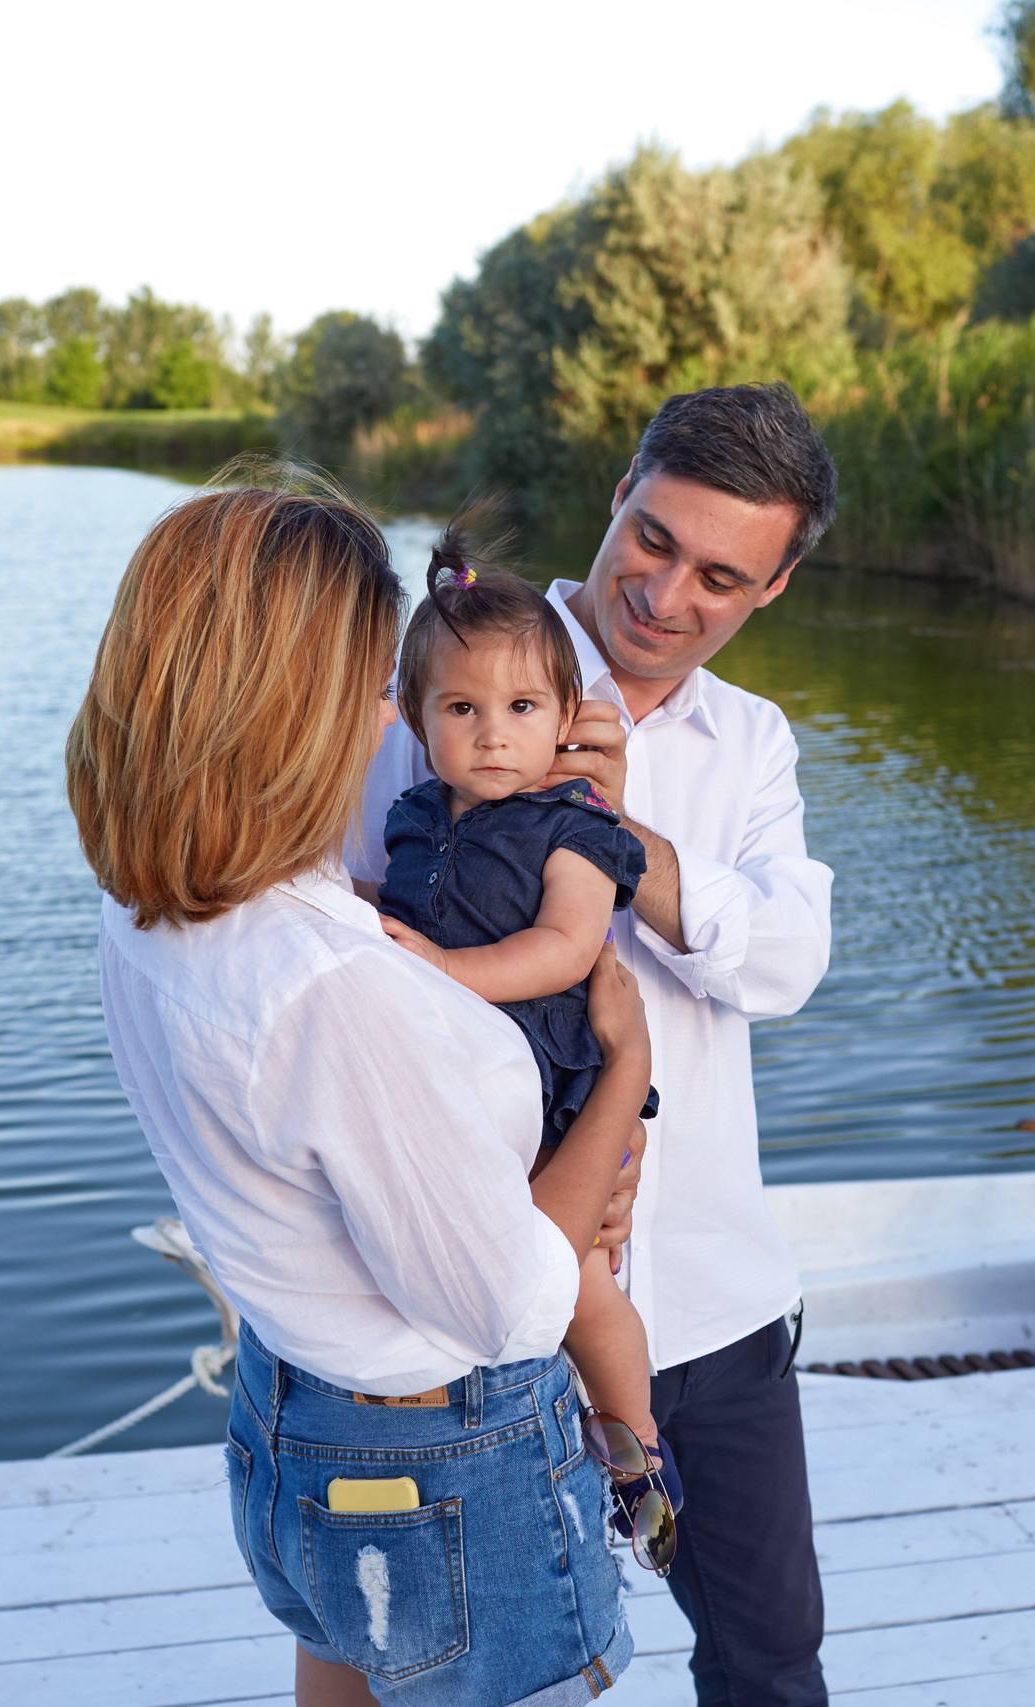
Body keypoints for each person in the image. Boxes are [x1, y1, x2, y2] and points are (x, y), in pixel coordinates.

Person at [69, 470, 652, 1706]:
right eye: (372, 684)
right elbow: (510, 1306)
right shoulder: (334, 987)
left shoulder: (149, 911)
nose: (390, 712)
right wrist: (625, 1081)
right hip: (441, 1454)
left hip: (291, 1409)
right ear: (290, 708)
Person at [352, 384, 838, 1707]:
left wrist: (624, 836)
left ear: (773, 587)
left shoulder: (751, 742)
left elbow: (788, 963)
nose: (666, 595)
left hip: (714, 1300)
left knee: (772, 1660)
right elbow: (338, 946)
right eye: (655, 539)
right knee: (459, 1667)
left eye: (720, 576)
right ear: (620, 490)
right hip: (481, 1298)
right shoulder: (446, 676)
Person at [367, 524, 676, 1552]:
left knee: (575, 1281)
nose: (493, 734)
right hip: (460, 1096)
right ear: (418, 718)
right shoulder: (415, 816)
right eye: (462, 709)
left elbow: (564, 947)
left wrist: (443, 970)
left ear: (566, 717)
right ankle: (515, 1447)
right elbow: (393, 907)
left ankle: (637, 1445)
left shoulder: (574, 827)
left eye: (523, 709)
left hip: (556, 1086)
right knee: (479, 1277)